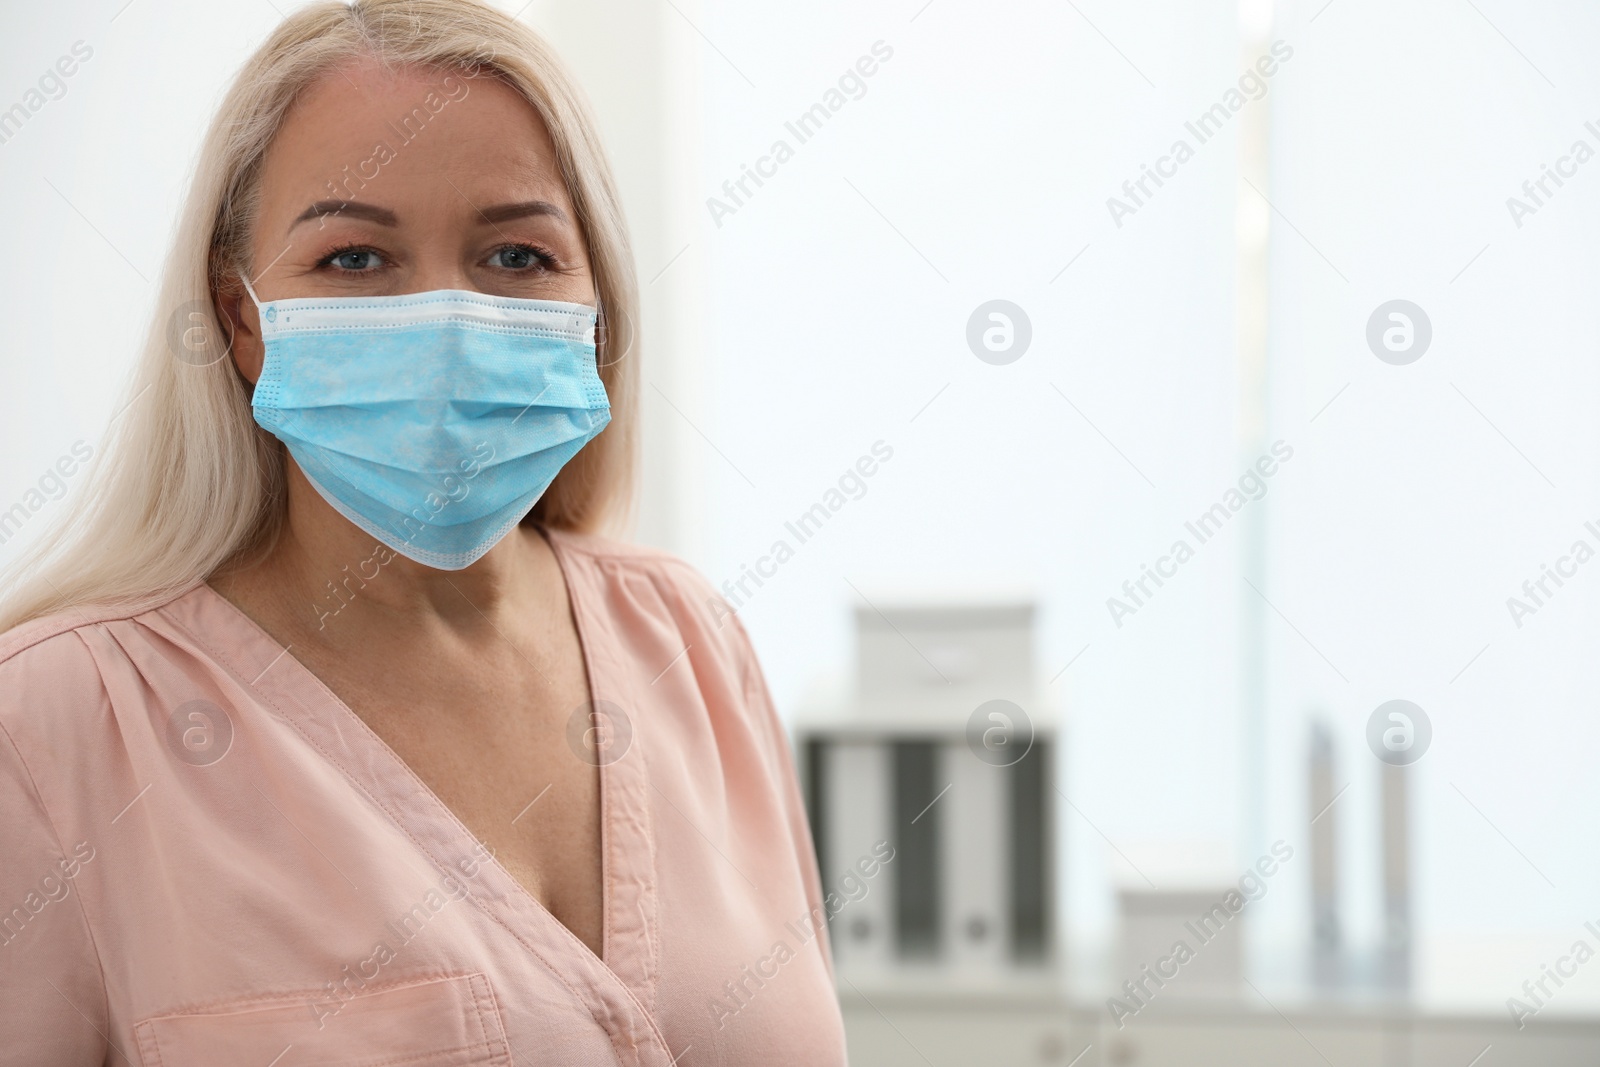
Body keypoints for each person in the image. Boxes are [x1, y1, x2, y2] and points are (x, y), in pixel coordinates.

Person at [0, 2, 846, 1062]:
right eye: (355, 259)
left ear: (597, 305)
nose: (448, 316)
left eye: (516, 256)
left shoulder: (687, 636)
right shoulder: (53, 725)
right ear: (242, 320)